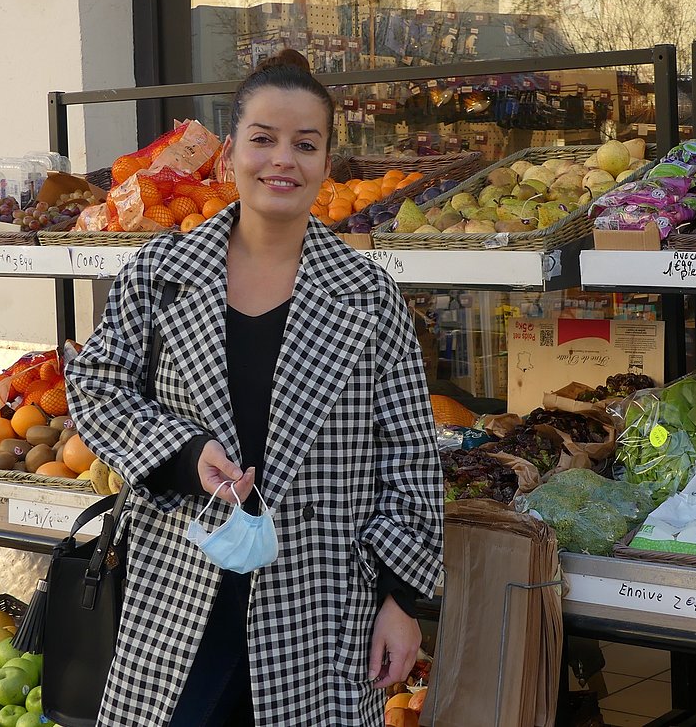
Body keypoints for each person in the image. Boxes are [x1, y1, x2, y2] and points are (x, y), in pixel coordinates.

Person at [65, 49, 443, 726]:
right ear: (231, 150)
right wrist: (183, 454)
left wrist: (400, 598)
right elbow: (97, 387)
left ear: (327, 161)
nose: (283, 161)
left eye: (306, 143)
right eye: (263, 139)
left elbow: (407, 452)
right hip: (180, 589)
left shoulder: (367, 295)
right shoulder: (162, 272)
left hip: (320, 599)